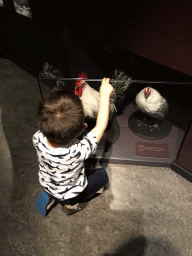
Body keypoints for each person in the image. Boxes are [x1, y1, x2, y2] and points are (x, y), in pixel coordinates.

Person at [33, 78, 113, 216]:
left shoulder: (37, 137)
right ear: (79, 131)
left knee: (70, 176)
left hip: (47, 184)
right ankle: (71, 206)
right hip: (69, 195)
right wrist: (104, 95)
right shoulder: (78, 151)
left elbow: (55, 121)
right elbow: (101, 125)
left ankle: (50, 196)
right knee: (102, 176)